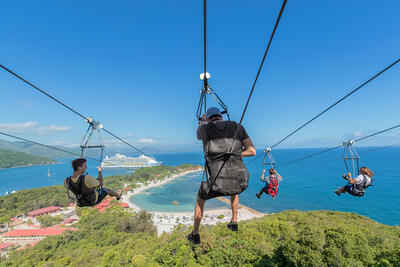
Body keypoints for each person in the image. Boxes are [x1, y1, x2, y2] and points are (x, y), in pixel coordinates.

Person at [187, 107, 256, 245]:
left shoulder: (205, 129)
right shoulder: (237, 126)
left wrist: (201, 121)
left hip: (217, 184)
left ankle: (195, 234)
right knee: (233, 189)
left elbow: (198, 134)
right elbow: (252, 151)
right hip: (241, 181)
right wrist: (235, 153)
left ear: (208, 119)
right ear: (221, 117)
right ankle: (234, 221)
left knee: (200, 199)